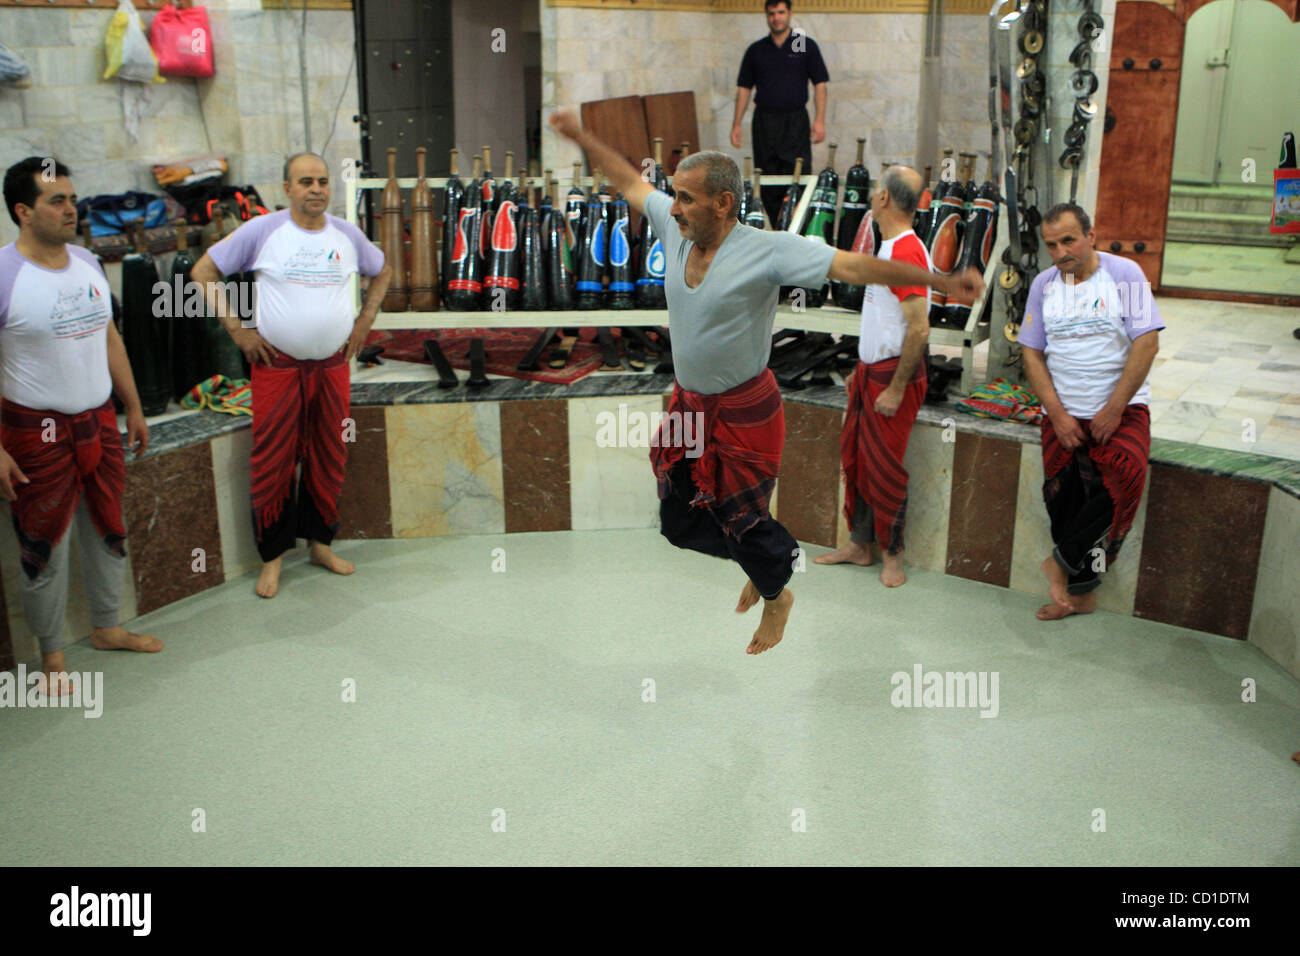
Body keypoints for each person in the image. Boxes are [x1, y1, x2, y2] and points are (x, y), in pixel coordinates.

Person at [549, 110, 983, 654]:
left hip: (745, 410)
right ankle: (762, 560)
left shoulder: (768, 250)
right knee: (678, 521)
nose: (673, 206)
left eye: (686, 197)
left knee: (746, 522)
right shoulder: (672, 225)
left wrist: (939, 280)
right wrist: (581, 135)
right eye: (675, 196)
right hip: (690, 407)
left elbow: (853, 267)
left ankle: (778, 594)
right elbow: (630, 181)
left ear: (723, 203)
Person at [190, 153, 392, 599]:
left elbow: (382, 270)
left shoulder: (347, 234)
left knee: (329, 453)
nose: (317, 189)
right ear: (287, 188)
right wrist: (239, 331)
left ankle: (321, 545)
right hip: (276, 367)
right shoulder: (263, 231)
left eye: (322, 181)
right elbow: (202, 273)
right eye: (306, 181)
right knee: (273, 459)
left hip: (333, 368)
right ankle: (273, 558)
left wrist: (364, 321)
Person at [0, 157, 162, 695]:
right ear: (23, 211)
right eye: (56, 201)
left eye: (72, 198)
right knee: (45, 539)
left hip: (98, 421)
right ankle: (51, 659)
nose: (71, 209)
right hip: (34, 430)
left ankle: (108, 626)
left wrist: (133, 405)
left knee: (107, 526)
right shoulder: (4, 276)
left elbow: (109, 338)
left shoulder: (88, 263)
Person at [1018, 202, 1163, 620]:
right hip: (1063, 411)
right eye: (1051, 245)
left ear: (1091, 236)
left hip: (1122, 407)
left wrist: (1114, 408)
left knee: (1125, 476)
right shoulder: (1043, 285)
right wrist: (1059, 416)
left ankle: (1059, 564)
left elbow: (1147, 343)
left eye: (1069, 240)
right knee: (1064, 496)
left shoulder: (1125, 274)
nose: (1061, 251)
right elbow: (1031, 352)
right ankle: (1079, 596)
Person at [815, 166, 932, 587]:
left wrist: (896, 388)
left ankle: (893, 556)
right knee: (859, 462)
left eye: (876, 189)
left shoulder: (905, 252)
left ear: (883, 198)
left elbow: (919, 328)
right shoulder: (889, 249)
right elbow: (885, 321)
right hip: (872, 373)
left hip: (893, 378)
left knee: (884, 468)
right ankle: (860, 545)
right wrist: (859, 367)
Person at [730, 0, 829, 227]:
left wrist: (820, 120)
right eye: (772, 13)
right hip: (764, 123)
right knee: (767, 180)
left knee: (799, 177)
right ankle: (778, 228)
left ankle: (796, 231)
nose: (777, 17)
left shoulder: (802, 44)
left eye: (781, 12)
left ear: (790, 13)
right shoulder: (756, 50)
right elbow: (744, 88)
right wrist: (736, 124)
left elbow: (820, 84)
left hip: (796, 122)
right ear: (767, 16)